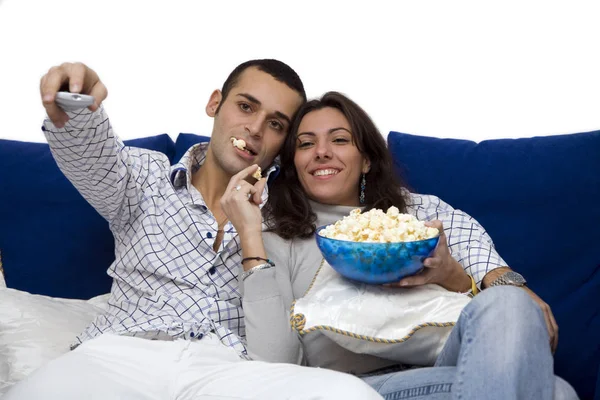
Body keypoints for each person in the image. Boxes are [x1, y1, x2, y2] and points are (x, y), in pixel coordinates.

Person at [4, 66, 384, 399]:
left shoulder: (291, 218)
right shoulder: (145, 178)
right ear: (215, 103)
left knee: (350, 394)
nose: (254, 129)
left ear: (283, 145)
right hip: (120, 354)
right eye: (246, 107)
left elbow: (385, 212)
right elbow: (91, 154)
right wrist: (78, 105)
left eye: (276, 124)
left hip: (228, 368)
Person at [221, 91, 579, 399]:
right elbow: (275, 365)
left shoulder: (420, 214)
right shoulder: (280, 235)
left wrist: (453, 276)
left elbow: (489, 280)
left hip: (451, 359)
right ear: (293, 163)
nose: (322, 152)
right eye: (306, 143)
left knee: (508, 301)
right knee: (556, 393)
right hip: (354, 389)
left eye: (340, 140)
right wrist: (251, 236)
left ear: (367, 160)